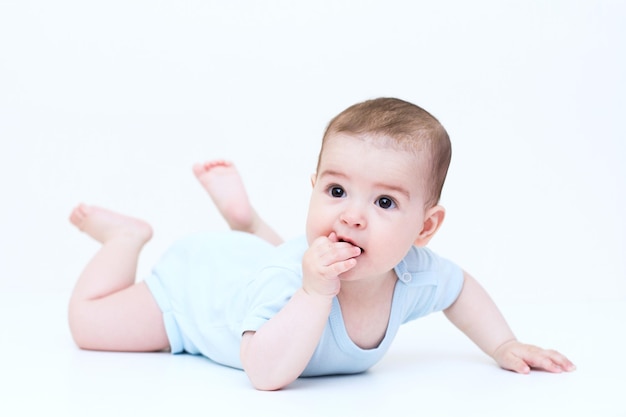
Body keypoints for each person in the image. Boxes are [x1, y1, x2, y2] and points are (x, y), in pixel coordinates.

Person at [68, 97, 575, 391]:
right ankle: (124, 239)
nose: (352, 215)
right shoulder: (294, 277)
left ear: (425, 227)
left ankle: (245, 221)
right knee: (87, 323)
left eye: (384, 203)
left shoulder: (414, 273)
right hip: (195, 295)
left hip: (254, 265)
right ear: (313, 188)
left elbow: (461, 289)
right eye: (336, 191)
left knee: (279, 255)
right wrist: (314, 293)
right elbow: (264, 373)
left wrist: (504, 343)